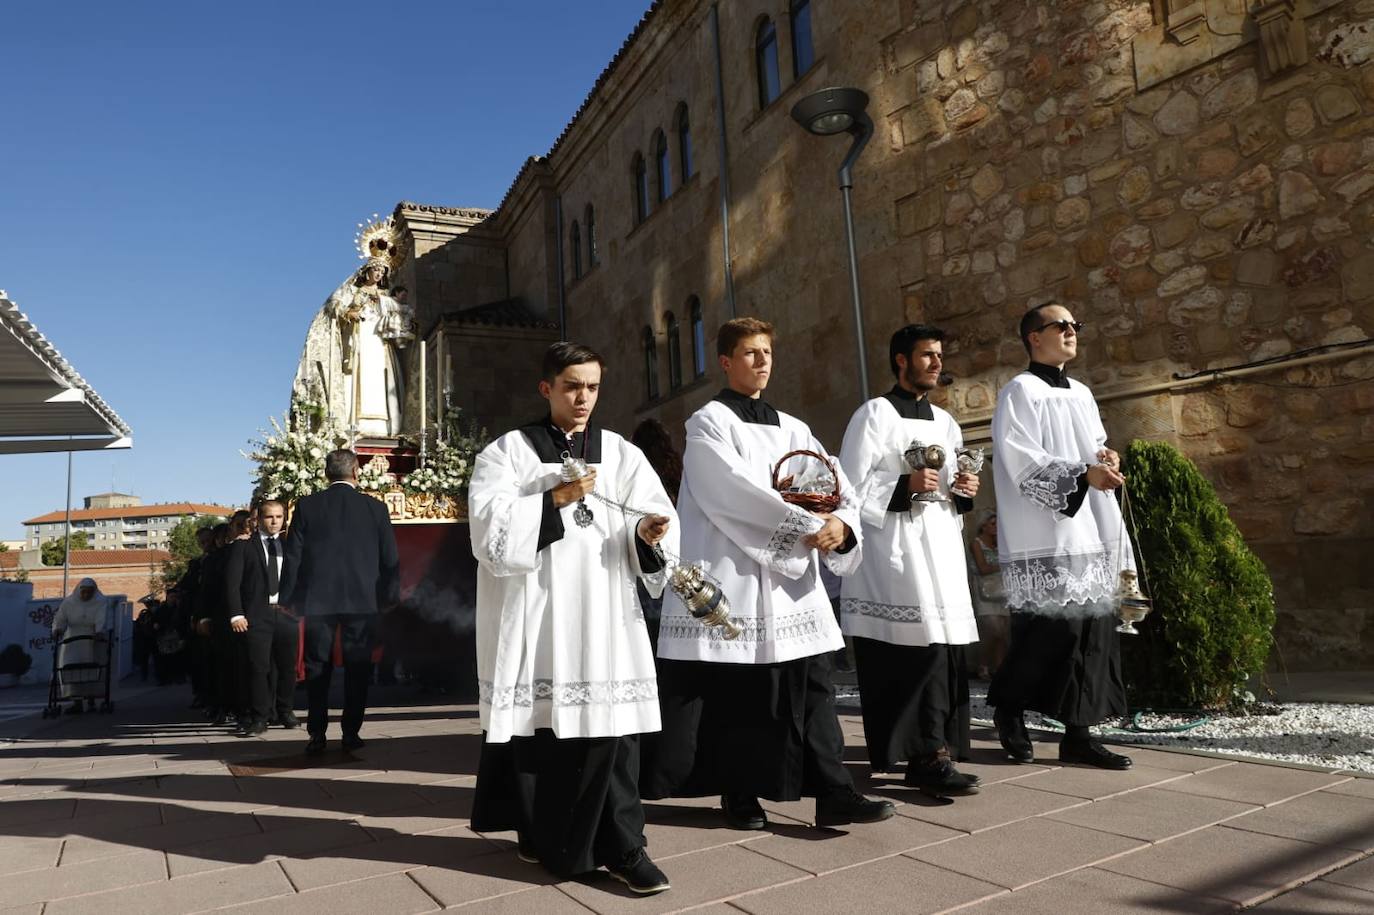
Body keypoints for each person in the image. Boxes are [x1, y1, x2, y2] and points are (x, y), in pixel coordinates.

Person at [644, 317, 894, 831]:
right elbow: (730, 494)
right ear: (726, 361)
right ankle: (739, 795)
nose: (761, 361)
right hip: (732, 578)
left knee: (813, 687)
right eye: (750, 353)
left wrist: (840, 524)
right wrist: (807, 525)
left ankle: (834, 791)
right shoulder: (708, 422)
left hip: (792, 587)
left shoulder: (795, 427)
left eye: (767, 352)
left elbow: (836, 484)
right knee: (739, 695)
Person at [468, 343, 676, 894]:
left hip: (606, 614)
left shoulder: (623, 453)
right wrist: (554, 498)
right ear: (547, 389)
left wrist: (648, 533)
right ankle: (543, 833)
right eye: (571, 386)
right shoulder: (507, 453)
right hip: (540, 615)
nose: (583, 397)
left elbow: (655, 516)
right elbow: (487, 533)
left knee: (614, 735)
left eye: (592, 387)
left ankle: (627, 847)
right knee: (543, 734)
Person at [837, 324, 982, 798]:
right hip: (894, 551)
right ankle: (923, 757)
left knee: (941, 652)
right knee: (911, 654)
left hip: (938, 545)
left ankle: (936, 748)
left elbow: (951, 480)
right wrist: (903, 486)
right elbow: (849, 489)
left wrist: (963, 492)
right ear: (901, 360)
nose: (937, 363)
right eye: (927, 356)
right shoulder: (873, 415)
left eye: (940, 355)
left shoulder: (946, 422)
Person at [988, 302, 1134, 770]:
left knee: (1094, 633)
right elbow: (1019, 459)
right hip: (1048, 530)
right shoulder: (1020, 392)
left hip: (1091, 522)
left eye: (1076, 324)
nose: (1072, 331)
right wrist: (1082, 475)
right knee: (1054, 631)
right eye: (1062, 326)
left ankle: (1079, 734)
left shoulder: (1083, 392)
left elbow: (1090, 447)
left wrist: (1105, 458)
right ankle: (1009, 708)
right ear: (1034, 337)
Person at [280, 448, 400, 754]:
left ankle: (317, 733)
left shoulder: (306, 507)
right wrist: (389, 596)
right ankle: (351, 732)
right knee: (358, 667)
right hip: (362, 601)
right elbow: (390, 559)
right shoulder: (376, 508)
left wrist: (289, 598)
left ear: (325, 473)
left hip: (319, 600)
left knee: (317, 667)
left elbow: (293, 557)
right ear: (356, 472)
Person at [223, 500, 300, 736]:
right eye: (270, 517)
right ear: (258, 521)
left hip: (286, 614)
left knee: (287, 667)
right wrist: (236, 614)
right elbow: (232, 584)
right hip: (257, 615)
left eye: (279, 517)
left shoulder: (290, 547)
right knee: (259, 668)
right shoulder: (244, 547)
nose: (275, 521)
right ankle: (259, 717)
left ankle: (285, 710)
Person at [630, 417, 682, 652]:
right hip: (681, 563)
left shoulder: (641, 477)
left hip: (653, 559)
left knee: (653, 638)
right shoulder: (679, 476)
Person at [51, 578, 109, 714]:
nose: (86, 595)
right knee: (72, 670)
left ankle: (91, 701)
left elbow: (102, 618)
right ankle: (76, 702)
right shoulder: (68, 602)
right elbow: (60, 618)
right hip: (72, 640)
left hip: (92, 640)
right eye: (84, 592)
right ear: (79, 591)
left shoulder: (100, 602)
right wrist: (57, 629)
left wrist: (99, 631)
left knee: (92, 668)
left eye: (89, 592)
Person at [968, 510, 1008, 679]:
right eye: (992, 524)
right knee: (991, 630)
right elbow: (983, 568)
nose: (996, 527)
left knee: (1002, 632)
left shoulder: (999, 543)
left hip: (1002, 590)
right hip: (984, 591)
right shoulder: (977, 543)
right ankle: (983, 665)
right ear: (983, 526)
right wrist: (1004, 565)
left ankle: (999, 668)